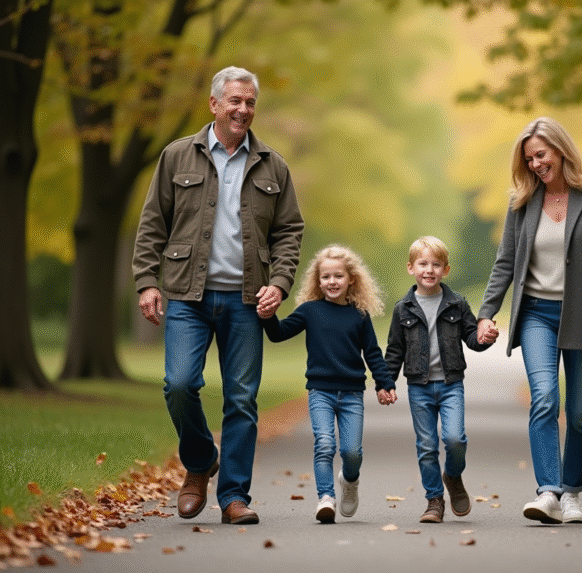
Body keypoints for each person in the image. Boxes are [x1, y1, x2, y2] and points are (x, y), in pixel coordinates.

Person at [132, 66, 304, 525]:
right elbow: (153, 223)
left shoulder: (273, 164)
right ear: (214, 104)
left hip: (247, 300)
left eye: (250, 102)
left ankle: (233, 497)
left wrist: (280, 282)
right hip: (188, 296)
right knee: (181, 384)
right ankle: (199, 461)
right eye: (235, 101)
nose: (243, 109)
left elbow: (290, 232)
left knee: (242, 399)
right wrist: (147, 281)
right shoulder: (176, 156)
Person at [476, 117, 582, 524]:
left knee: (579, 413)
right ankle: (548, 492)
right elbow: (505, 262)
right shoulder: (522, 201)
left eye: (541, 154)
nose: (536, 164)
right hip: (536, 313)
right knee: (544, 398)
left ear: (560, 150)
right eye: (529, 158)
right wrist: (487, 312)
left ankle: (572, 493)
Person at [261, 245, 396, 523]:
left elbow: (372, 352)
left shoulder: (359, 314)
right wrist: (267, 316)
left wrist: (384, 382)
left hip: (351, 394)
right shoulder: (310, 311)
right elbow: (279, 333)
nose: (332, 282)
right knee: (324, 443)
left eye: (338, 276)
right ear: (317, 281)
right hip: (320, 391)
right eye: (325, 277)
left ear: (351, 280)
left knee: (352, 452)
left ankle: (350, 480)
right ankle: (326, 498)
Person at [385, 236, 492, 523]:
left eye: (436, 264)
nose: (429, 270)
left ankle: (453, 477)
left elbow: (471, 337)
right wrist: (386, 382)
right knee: (427, 446)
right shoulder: (402, 308)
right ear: (411, 268)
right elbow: (395, 350)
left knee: (455, 439)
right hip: (419, 387)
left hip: (450, 384)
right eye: (422, 264)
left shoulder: (456, 303)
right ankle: (434, 500)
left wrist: (484, 338)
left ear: (446, 269)